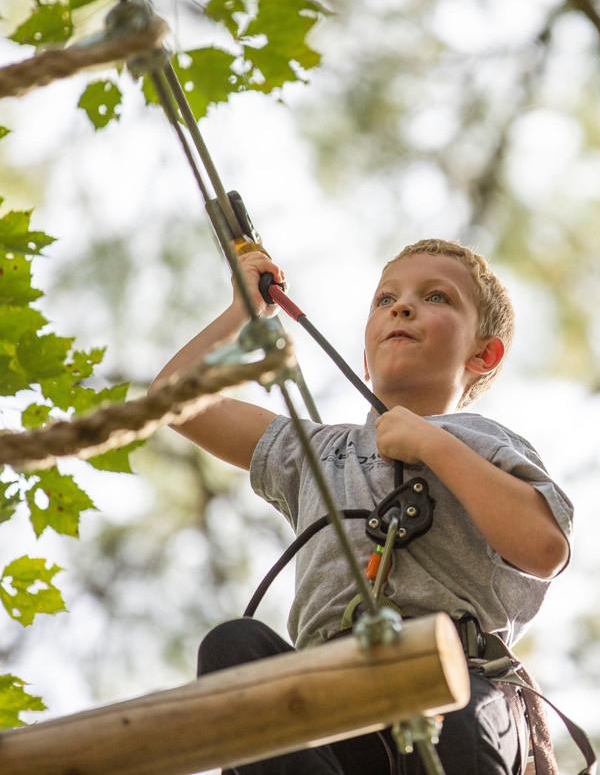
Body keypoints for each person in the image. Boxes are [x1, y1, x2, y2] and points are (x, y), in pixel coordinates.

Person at [150, 239, 574, 775]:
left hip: (449, 683)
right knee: (234, 647)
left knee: (459, 719)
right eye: (386, 299)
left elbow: (544, 546)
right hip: (330, 699)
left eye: (437, 297)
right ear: (367, 360)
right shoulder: (319, 452)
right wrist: (241, 312)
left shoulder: (483, 441)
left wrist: (432, 444)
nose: (402, 307)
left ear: (482, 354)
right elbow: (173, 399)